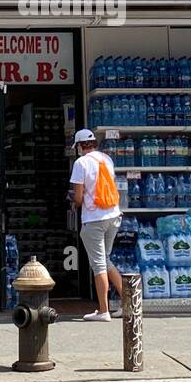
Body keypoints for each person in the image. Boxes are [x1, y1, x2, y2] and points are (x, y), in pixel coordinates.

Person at [69, 129, 124, 323]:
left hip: (94, 219)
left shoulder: (80, 163)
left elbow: (77, 197)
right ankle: (128, 301)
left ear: (80, 145)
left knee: (98, 265)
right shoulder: (106, 159)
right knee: (106, 260)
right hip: (114, 215)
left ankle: (103, 310)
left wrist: (73, 199)